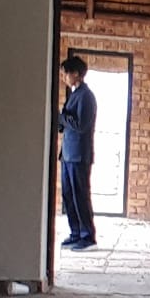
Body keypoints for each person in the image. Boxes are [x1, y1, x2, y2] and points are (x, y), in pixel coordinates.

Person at [58, 55, 98, 251]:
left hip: (79, 154)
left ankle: (87, 236)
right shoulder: (74, 94)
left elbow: (81, 125)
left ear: (75, 73)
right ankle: (75, 233)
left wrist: (62, 118)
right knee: (68, 195)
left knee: (80, 195)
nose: (63, 77)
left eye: (65, 74)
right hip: (67, 154)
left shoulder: (86, 96)